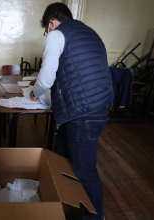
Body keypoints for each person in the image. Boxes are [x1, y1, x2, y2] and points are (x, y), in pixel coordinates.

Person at [30, 3, 113, 220]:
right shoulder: (90, 33)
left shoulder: (57, 35)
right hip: (98, 106)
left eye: (47, 29)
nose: (48, 32)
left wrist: (34, 92)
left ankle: (95, 217)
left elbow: (46, 79)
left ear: (51, 23)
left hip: (82, 112)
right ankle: (66, 205)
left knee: (85, 171)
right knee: (64, 158)